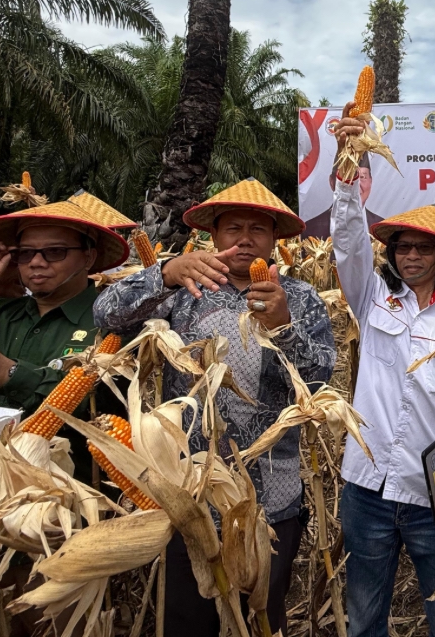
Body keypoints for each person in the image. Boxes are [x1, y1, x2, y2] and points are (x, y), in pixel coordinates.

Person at [93, 179, 336, 637]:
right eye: (233, 229)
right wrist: (164, 273)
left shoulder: (300, 298)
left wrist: (283, 327)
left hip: (271, 495)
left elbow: (319, 382)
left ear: (274, 239)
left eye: (257, 230)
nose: (245, 239)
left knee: (262, 617)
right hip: (190, 493)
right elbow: (105, 314)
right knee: (188, 619)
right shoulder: (184, 287)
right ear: (214, 235)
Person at [331, 102, 435, 637]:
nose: (411, 257)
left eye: (424, 249)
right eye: (403, 247)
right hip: (367, 490)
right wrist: (348, 170)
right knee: (364, 620)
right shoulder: (371, 298)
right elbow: (348, 243)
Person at [0, 200, 129, 412]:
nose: (36, 262)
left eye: (55, 251)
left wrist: (8, 374)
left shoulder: (116, 323)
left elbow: (109, 403)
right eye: (25, 253)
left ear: (88, 258)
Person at [302, 151, 381, 239]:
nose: (356, 185)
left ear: (371, 181)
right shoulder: (310, 231)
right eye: (347, 177)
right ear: (332, 182)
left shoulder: (384, 229)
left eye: (362, 177)